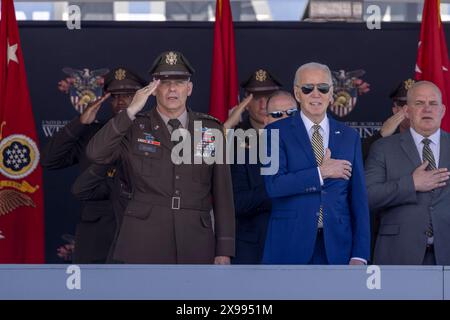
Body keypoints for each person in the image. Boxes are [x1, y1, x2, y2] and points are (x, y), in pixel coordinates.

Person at [86, 50, 235, 264]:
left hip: (195, 240)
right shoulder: (134, 126)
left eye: (179, 82)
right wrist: (129, 112)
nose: (172, 89)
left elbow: (223, 193)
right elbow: (95, 153)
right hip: (143, 238)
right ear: (153, 90)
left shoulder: (210, 129)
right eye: (164, 83)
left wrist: (224, 248)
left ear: (189, 88)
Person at [262, 62, 370, 265]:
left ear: (331, 93)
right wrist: (321, 172)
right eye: (307, 88)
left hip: (338, 247)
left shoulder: (349, 136)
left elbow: (359, 199)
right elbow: (273, 185)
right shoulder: (273, 133)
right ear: (297, 93)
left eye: (322, 88)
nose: (315, 94)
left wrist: (360, 253)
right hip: (289, 244)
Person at [41, 67, 145, 263]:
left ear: (142, 97)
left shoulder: (153, 135)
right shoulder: (93, 134)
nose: (121, 101)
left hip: (139, 232)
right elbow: (48, 160)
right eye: (115, 96)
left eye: (128, 95)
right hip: (96, 236)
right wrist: (80, 123)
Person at [365, 81, 450, 265]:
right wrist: (411, 184)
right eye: (419, 103)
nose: (427, 109)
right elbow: (368, 197)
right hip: (398, 253)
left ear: (442, 110)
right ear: (407, 111)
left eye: (433, 103)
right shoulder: (383, 147)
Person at [228, 69, 283, 264]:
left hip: (293, 239)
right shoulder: (233, 139)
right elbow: (234, 202)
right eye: (256, 97)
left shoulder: (298, 137)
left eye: (268, 97)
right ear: (245, 102)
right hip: (251, 244)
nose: (263, 104)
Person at [362, 79, 414, 161]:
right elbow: (355, 158)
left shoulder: (437, 139)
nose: (410, 109)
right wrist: (380, 135)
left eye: (417, 103)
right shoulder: (385, 140)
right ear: (395, 110)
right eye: (404, 104)